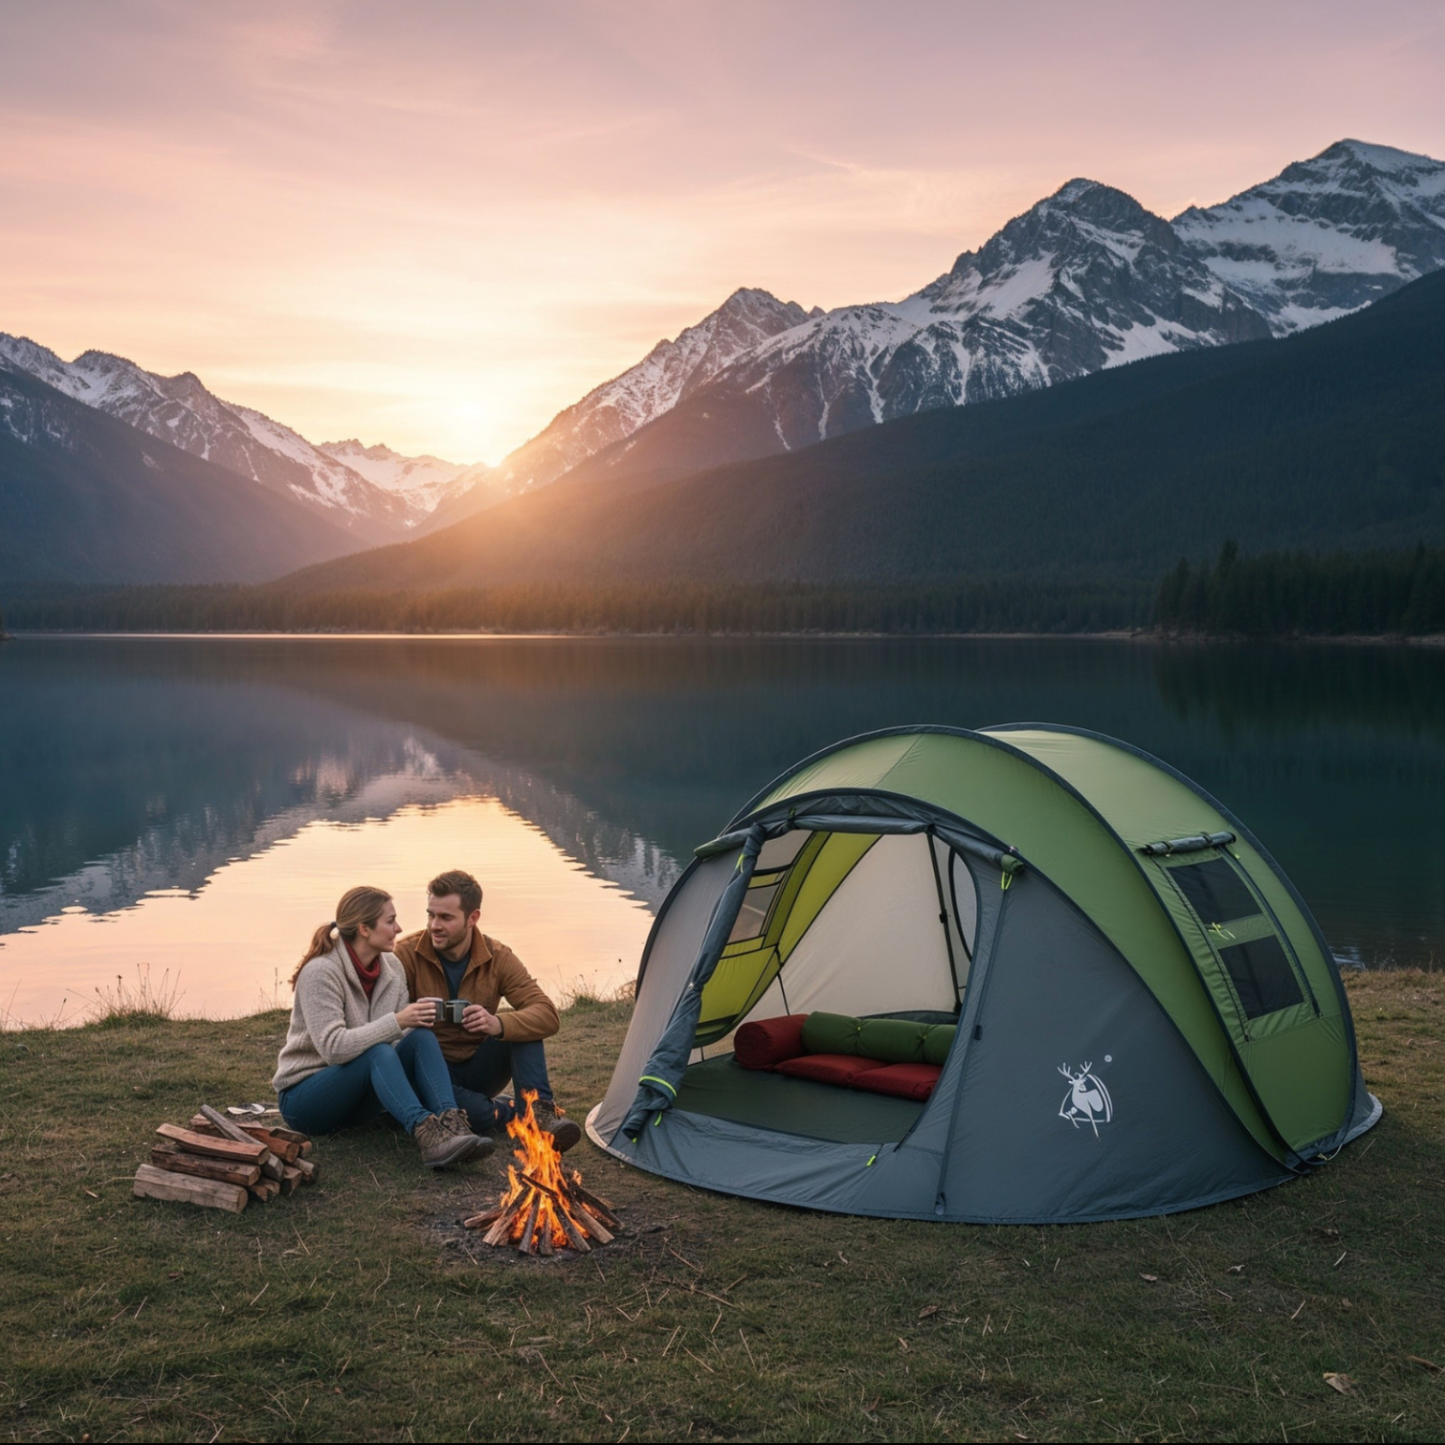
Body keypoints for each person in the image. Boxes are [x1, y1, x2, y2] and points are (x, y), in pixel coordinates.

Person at [272, 884, 491, 1168]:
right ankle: (427, 1135)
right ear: (364, 928)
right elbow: (334, 1049)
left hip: (358, 1103)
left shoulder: (392, 968)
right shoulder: (321, 972)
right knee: (379, 1052)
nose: (399, 928)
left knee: (421, 1036)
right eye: (390, 921)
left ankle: (453, 1125)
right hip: (307, 1101)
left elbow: (397, 1042)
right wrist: (399, 1021)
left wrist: (412, 1023)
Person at [395, 869, 582, 1152]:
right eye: (431, 915)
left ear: (473, 918)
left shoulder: (498, 957)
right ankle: (509, 1111)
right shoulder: (405, 954)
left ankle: (539, 1116)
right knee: (479, 1117)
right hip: (429, 1072)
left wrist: (497, 1024)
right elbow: (382, 1018)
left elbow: (546, 1014)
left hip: (478, 1067)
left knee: (523, 1028)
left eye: (446, 917)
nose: (434, 925)